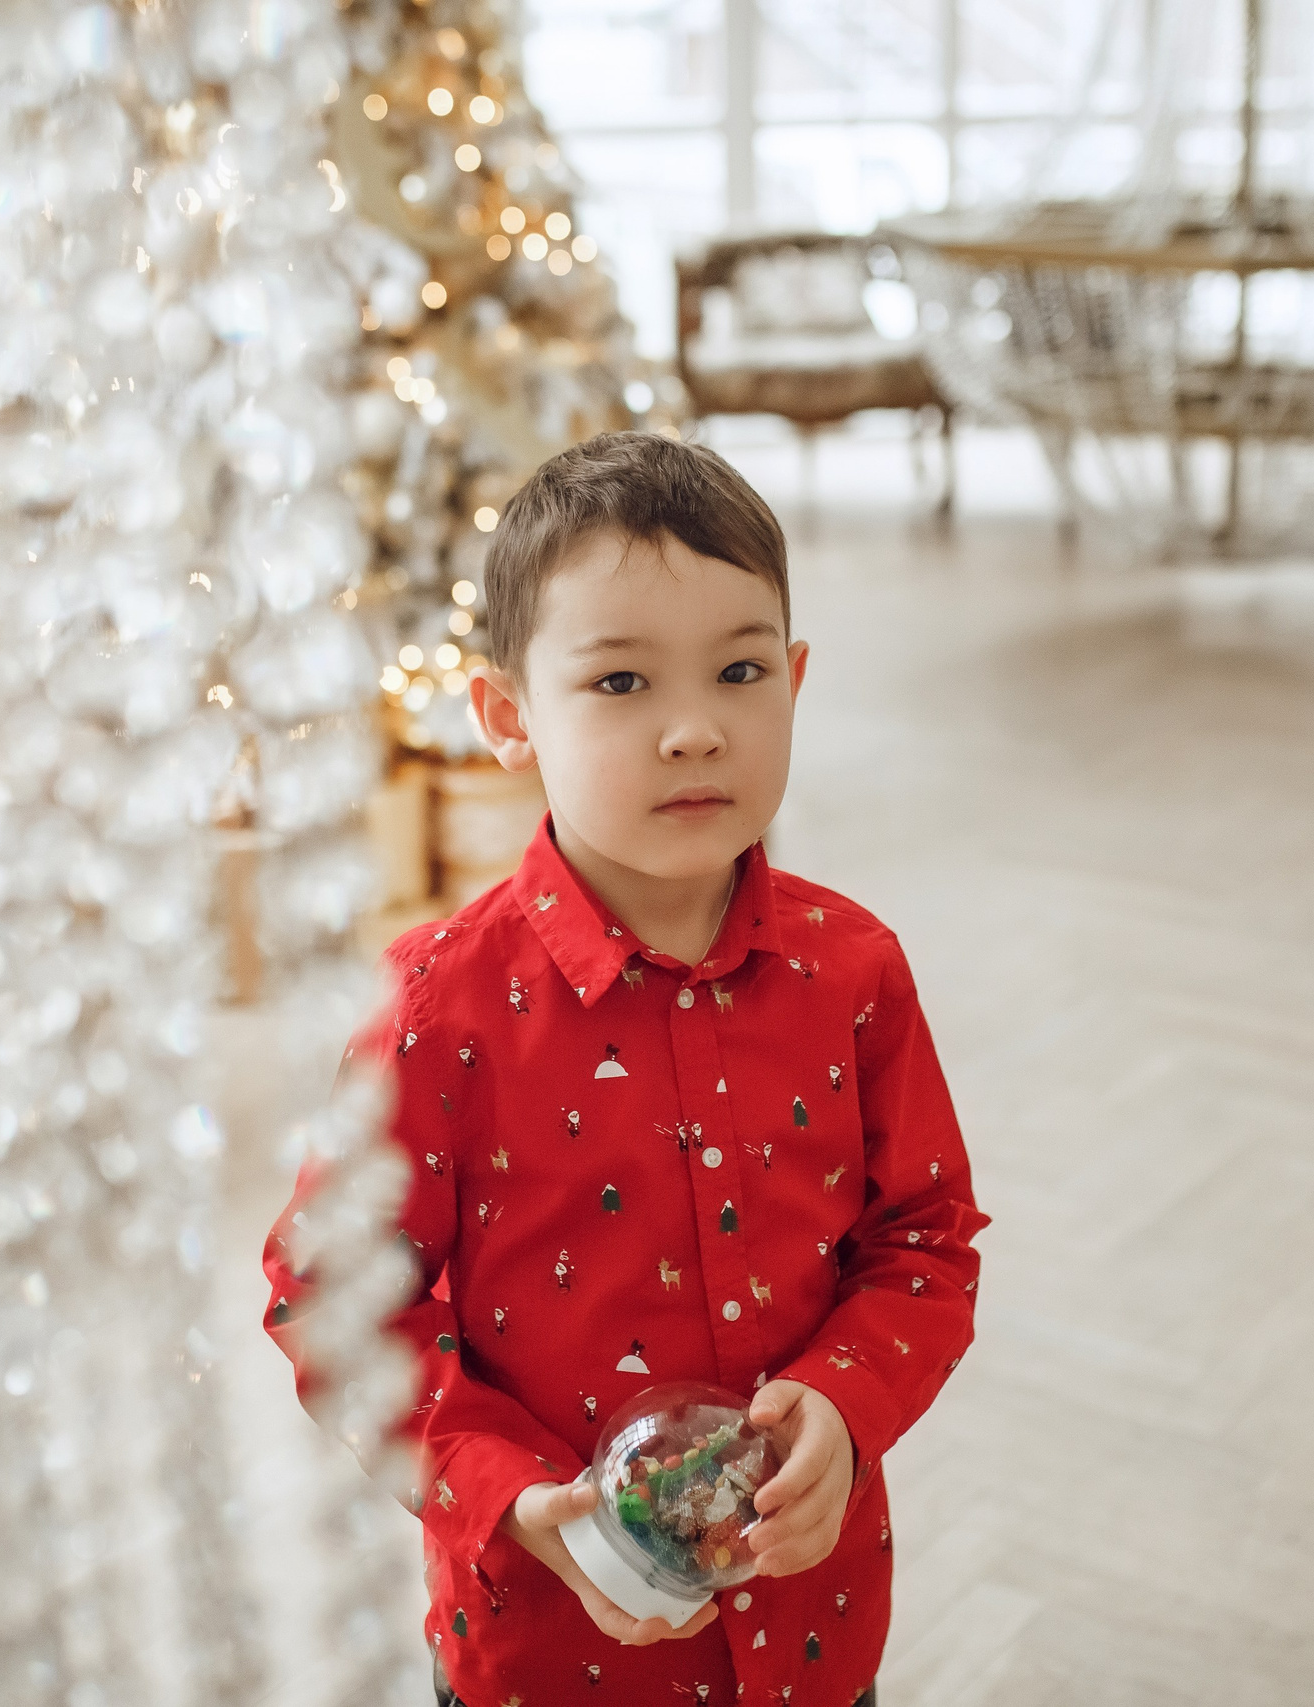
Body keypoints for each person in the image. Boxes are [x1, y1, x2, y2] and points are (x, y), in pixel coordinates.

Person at [263, 431, 987, 1707]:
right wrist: (507, 1493)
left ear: (794, 682)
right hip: (544, 1654)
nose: (694, 730)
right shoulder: (437, 1010)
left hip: (807, 1641)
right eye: (619, 683)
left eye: (739, 671)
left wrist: (844, 1403)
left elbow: (923, 1240)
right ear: (508, 718)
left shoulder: (854, 972)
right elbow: (335, 1301)